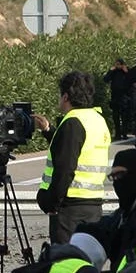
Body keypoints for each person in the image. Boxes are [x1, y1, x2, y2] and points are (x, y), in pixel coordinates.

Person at [33, 71, 112, 245]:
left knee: (66, 262)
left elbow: (65, 167)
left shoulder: (72, 122)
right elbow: (80, 150)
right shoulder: (97, 120)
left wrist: (50, 202)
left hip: (70, 207)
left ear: (66, 96)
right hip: (93, 203)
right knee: (86, 259)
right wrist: (48, 130)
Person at [103, 59, 132, 139]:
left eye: (119, 64)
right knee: (115, 116)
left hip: (125, 96)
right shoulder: (114, 72)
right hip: (115, 96)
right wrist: (110, 70)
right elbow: (105, 79)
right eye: (117, 64)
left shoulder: (127, 71)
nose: (118, 66)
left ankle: (124, 133)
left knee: (125, 116)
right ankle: (118, 134)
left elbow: (132, 79)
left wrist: (126, 71)